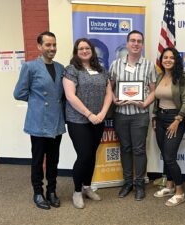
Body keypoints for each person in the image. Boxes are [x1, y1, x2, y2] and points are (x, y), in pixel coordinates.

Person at [13, 31, 65, 210]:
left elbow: (61, 94)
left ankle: (51, 191)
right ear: (39, 47)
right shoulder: (30, 67)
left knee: (53, 159)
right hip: (38, 121)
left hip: (56, 121)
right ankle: (37, 192)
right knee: (37, 160)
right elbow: (18, 93)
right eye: (48, 45)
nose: (52, 48)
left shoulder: (60, 68)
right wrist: (37, 101)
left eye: (54, 45)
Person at [63, 38, 112, 209]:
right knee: (84, 155)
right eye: (81, 48)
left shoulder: (102, 70)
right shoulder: (71, 70)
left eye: (87, 48)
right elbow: (70, 96)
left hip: (98, 119)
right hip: (78, 120)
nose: (84, 51)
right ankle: (77, 191)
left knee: (92, 155)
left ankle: (87, 187)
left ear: (92, 50)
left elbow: (108, 94)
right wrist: (89, 114)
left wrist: (102, 113)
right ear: (76, 52)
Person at [109, 30, 157, 201]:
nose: (136, 44)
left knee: (139, 149)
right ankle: (127, 182)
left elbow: (153, 90)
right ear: (127, 43)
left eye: (139, 41)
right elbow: (110, 86)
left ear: (142, 44)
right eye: (133, 41)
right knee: (125, 149)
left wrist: (145, 103)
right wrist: (114, 98)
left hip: (140, 115)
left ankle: (139, 184)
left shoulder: (149, 65)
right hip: (121, 114)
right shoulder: (115, 64)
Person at [152, 47, 185, 206]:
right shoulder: (160, 75)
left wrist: (177, 120)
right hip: (160, 118)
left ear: (176, 60)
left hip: (174, 119)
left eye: (171, 58)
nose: (167, 60)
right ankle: (169, 185)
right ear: (161, 60)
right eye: (165, 57)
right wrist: (155, 115)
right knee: (164, 153)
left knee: (169, 156)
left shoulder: (182, 78)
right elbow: (157, 99)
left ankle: (180, 192)